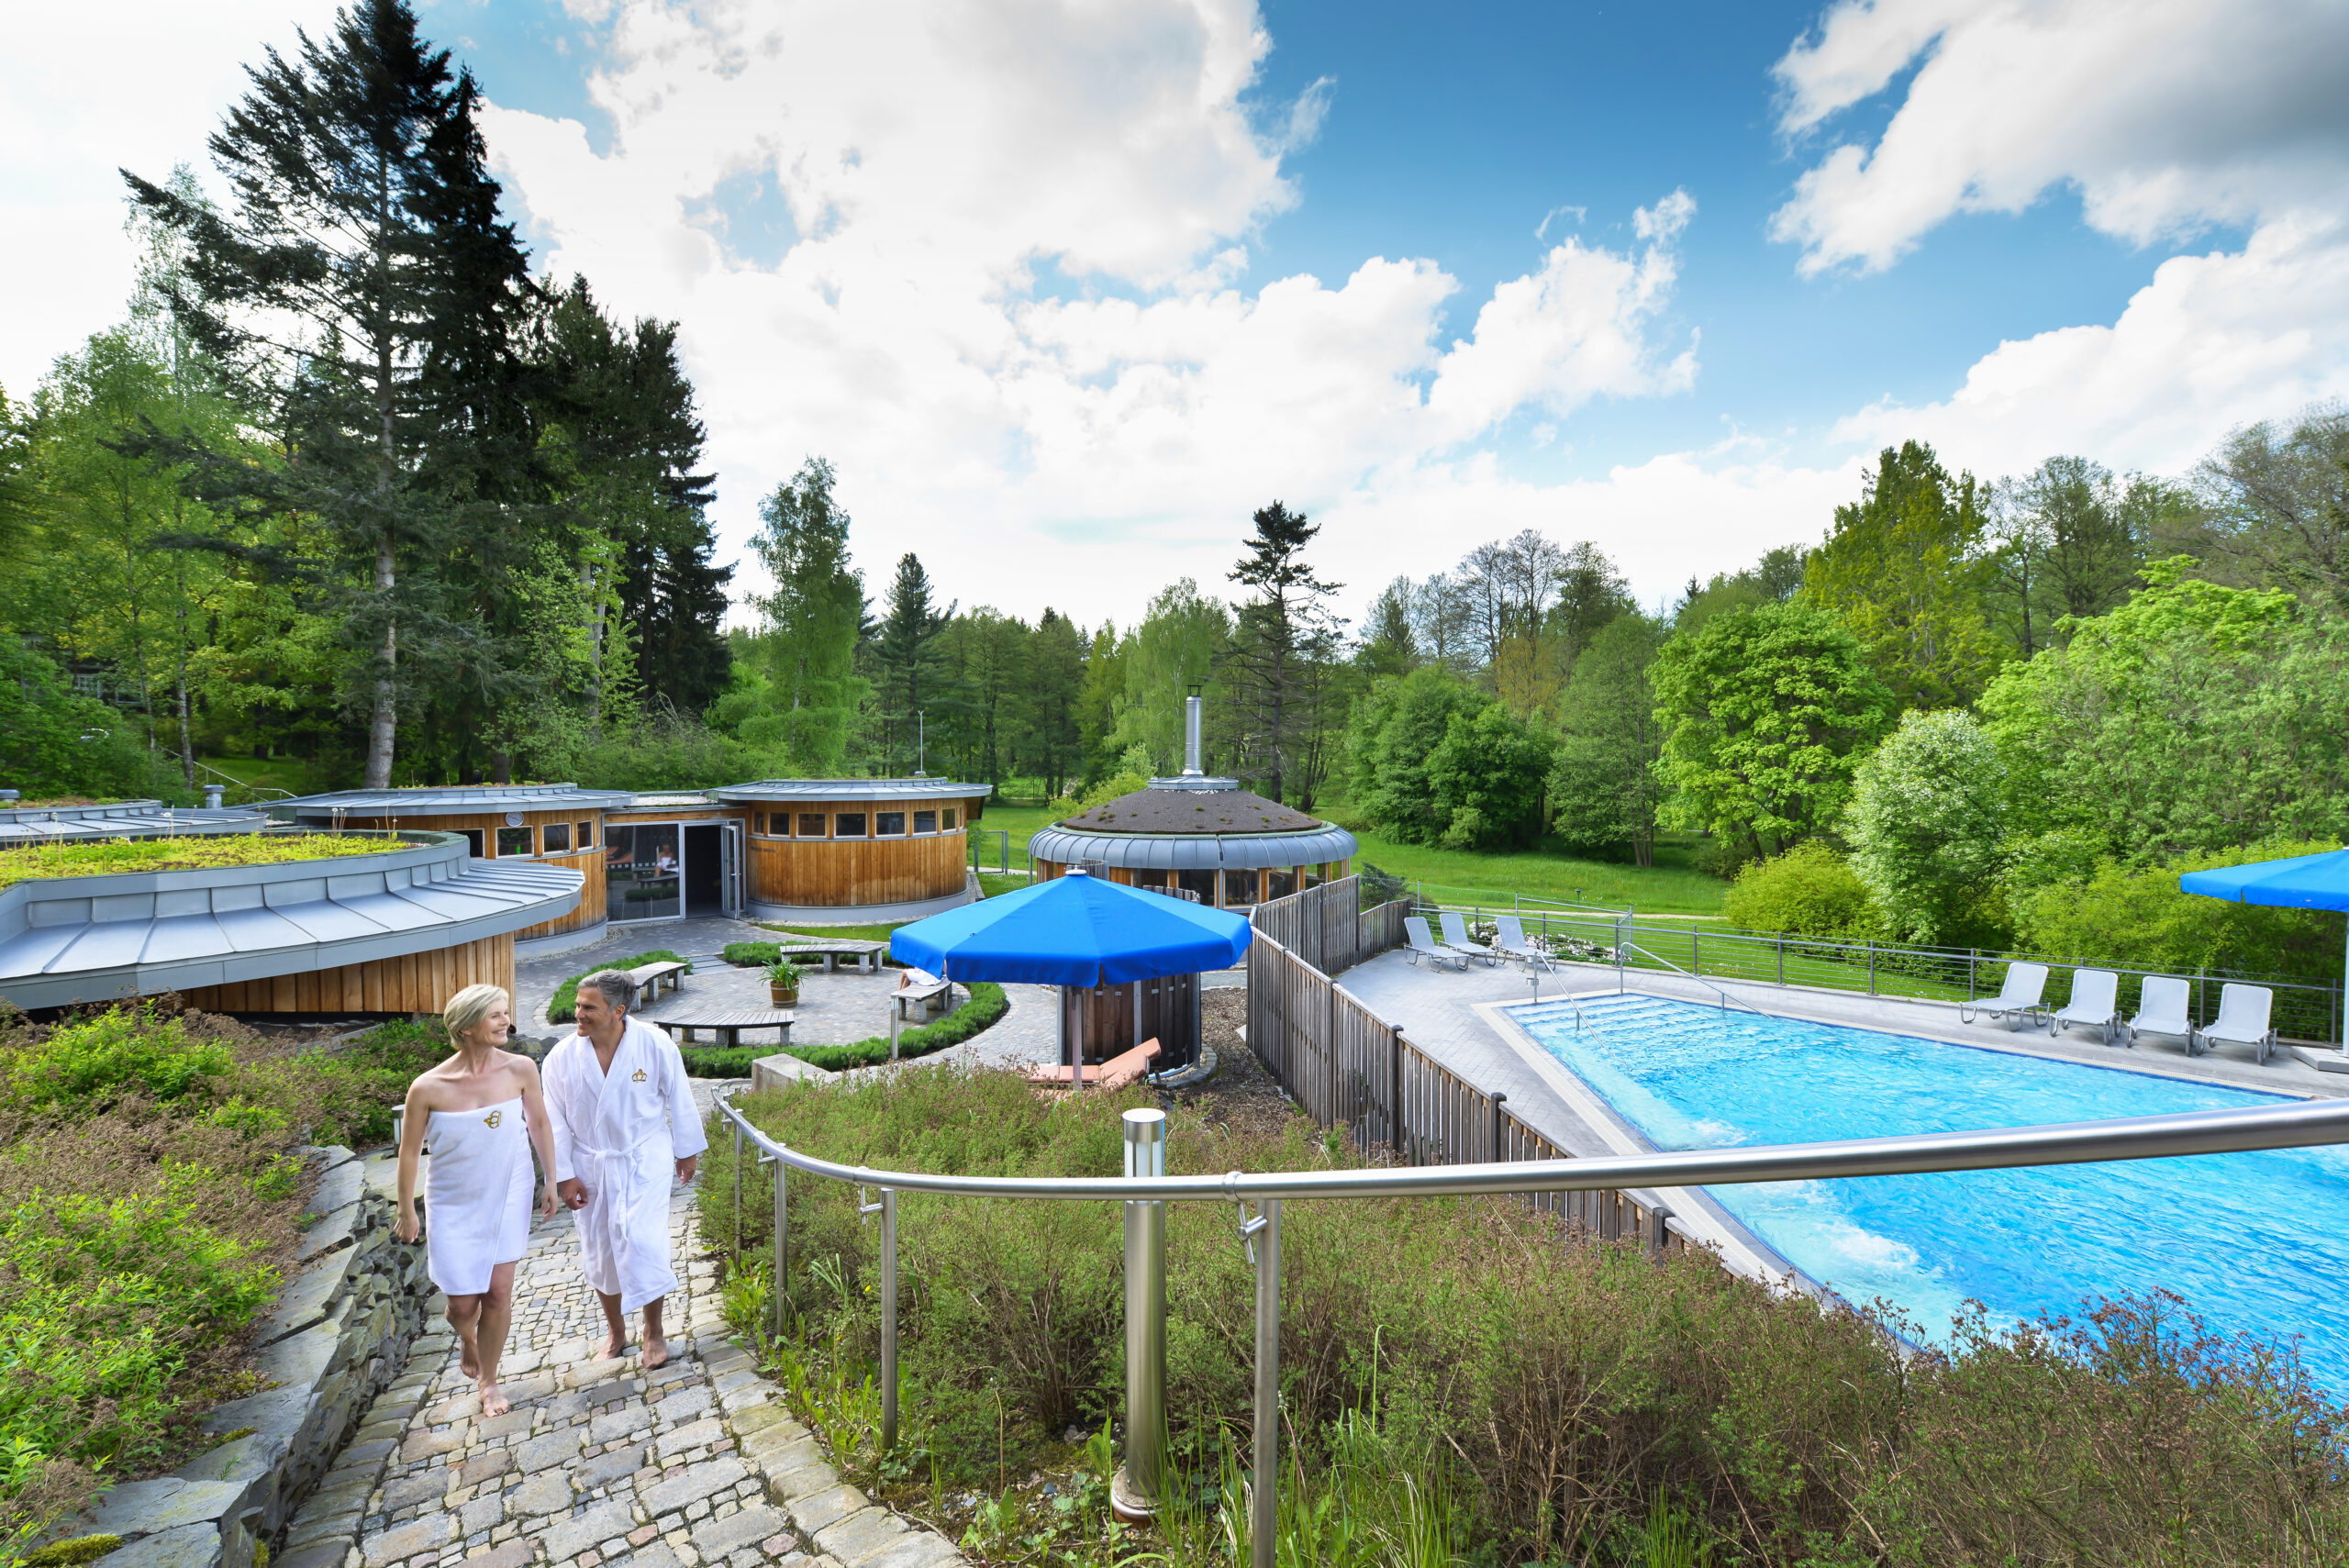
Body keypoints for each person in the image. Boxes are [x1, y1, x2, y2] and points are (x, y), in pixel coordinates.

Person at [394, 984, 558, 1418]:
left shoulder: (521, 1069)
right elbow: (409, 1151)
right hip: (453, 1200)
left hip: (509, 1188)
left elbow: (539, 1124)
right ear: (466, 1027)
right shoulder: (427, 1087)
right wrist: (406, 1209)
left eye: (506, 1013)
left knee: (499, 1291)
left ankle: (489, 1382)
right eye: (495, 1015)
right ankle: (467, 1337)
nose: (507, 1022)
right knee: (462, 1305)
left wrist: (552, 1180)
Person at [543, 970, 707, 1369]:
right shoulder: (562, 1058)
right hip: (591, 1163)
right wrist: (564, 1174)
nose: (577, 1014)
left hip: (642, 1158)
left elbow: (680, 1096)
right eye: (578, 1005)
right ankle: (616, 1330)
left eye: (588, 1008)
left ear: (618, 1010)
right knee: (600, 1252)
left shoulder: (654, 1044)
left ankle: (654, 1331)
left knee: (644, 1241)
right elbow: (553, 1120)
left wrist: (687, 1150)